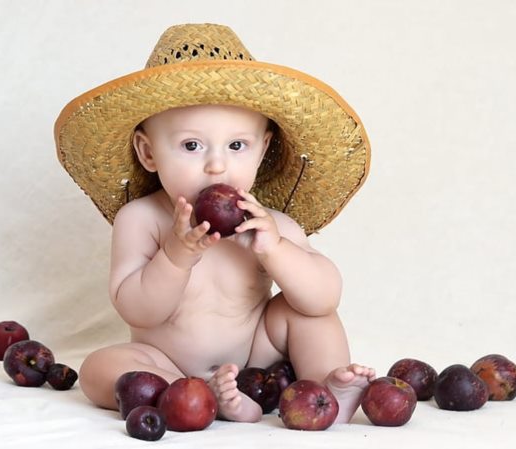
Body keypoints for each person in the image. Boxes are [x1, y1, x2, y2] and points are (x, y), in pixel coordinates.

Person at [54, 23, 372, 424]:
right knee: (100, 368)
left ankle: (324, 392)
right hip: (165, 361)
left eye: (237, 145)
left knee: (308, 313)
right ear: (148, 152)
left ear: (263, 150)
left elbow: (324, 297)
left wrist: (275, 250)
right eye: (191, 145)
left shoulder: (270, 226)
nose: (217, 164)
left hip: (258, 358)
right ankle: (194, 396)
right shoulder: (143, 220)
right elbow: (137, 311)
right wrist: (175, 255)